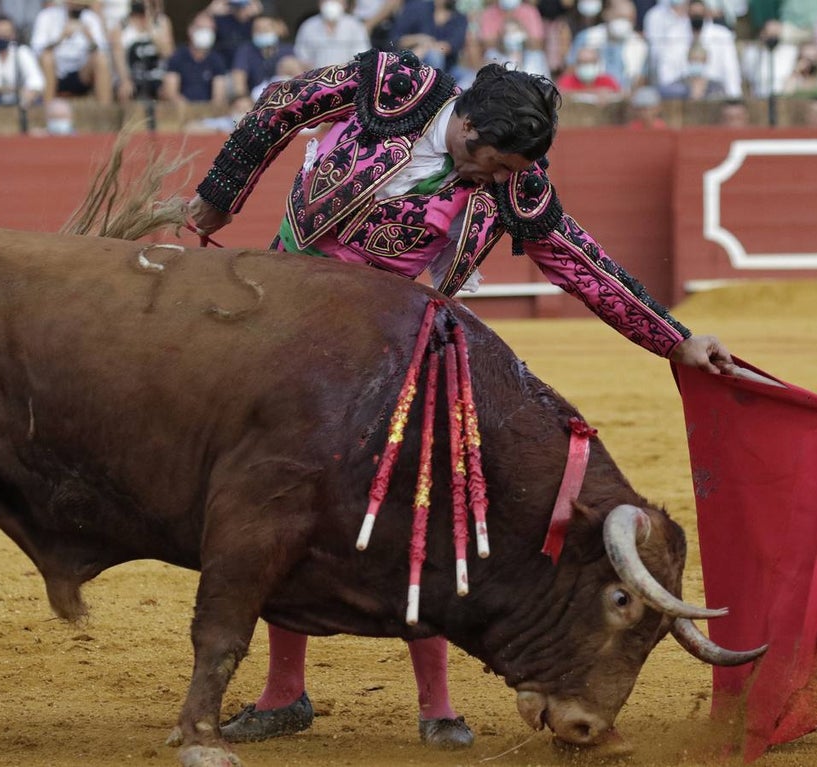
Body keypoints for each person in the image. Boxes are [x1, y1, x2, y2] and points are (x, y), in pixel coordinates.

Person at [186, 46, 737, 751]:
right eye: (496, 164)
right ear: (467, 125)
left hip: (392, 347)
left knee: (427, 504)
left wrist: (675, 339)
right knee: (284, 503)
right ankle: (284, 692)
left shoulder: (514, 182)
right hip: (290, 322)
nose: (502, 180)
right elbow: (279, 107)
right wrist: (219, 196)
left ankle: (438, 705)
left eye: (512, 171)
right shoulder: (391, 86)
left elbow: (580, 261)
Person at [30, 0, 111, 103]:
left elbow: (103, 50)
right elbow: (37, 49)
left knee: (101, 59)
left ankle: (104, 109)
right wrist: (61, 38)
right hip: (55, 72)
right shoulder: (47, 16)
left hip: (81, 73)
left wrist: (89, 37)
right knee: (47, 58)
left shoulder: (91, 18)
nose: (76, 5)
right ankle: (48, 108)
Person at [111, 0, 173, 103]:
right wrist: (125, 80)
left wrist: (151, 28)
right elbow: (118, 59)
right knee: (125, 91)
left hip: (156, 77)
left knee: (168, 90)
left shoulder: (162, 22)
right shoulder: (121, 27)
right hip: (132, 77)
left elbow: (167, 53)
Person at [162, 11, 228, 106]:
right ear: (190, 30)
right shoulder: (178, 56)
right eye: (202, 28)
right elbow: (171, 92)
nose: (206, 33)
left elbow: (218, 96)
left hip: (208, 111)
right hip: (181, 109)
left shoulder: (216, 60)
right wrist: (189, 110)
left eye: (210, 29)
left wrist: (207, 111)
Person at [230, 14, 295, 100]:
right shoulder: (246, 50)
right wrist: (243, 99)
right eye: (257, 30)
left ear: (278, 29)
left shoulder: (288, 50)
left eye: (266, 29)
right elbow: (238, 76)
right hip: (255, 100)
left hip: (285, 97)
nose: (262, 32)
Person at [294, 0, 370, 69]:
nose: (331, 2)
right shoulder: (308, 26)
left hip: (347, 76)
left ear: (345, 3)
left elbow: (362, 56)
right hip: (316, 76)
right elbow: (301, 57)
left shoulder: (355, 26)